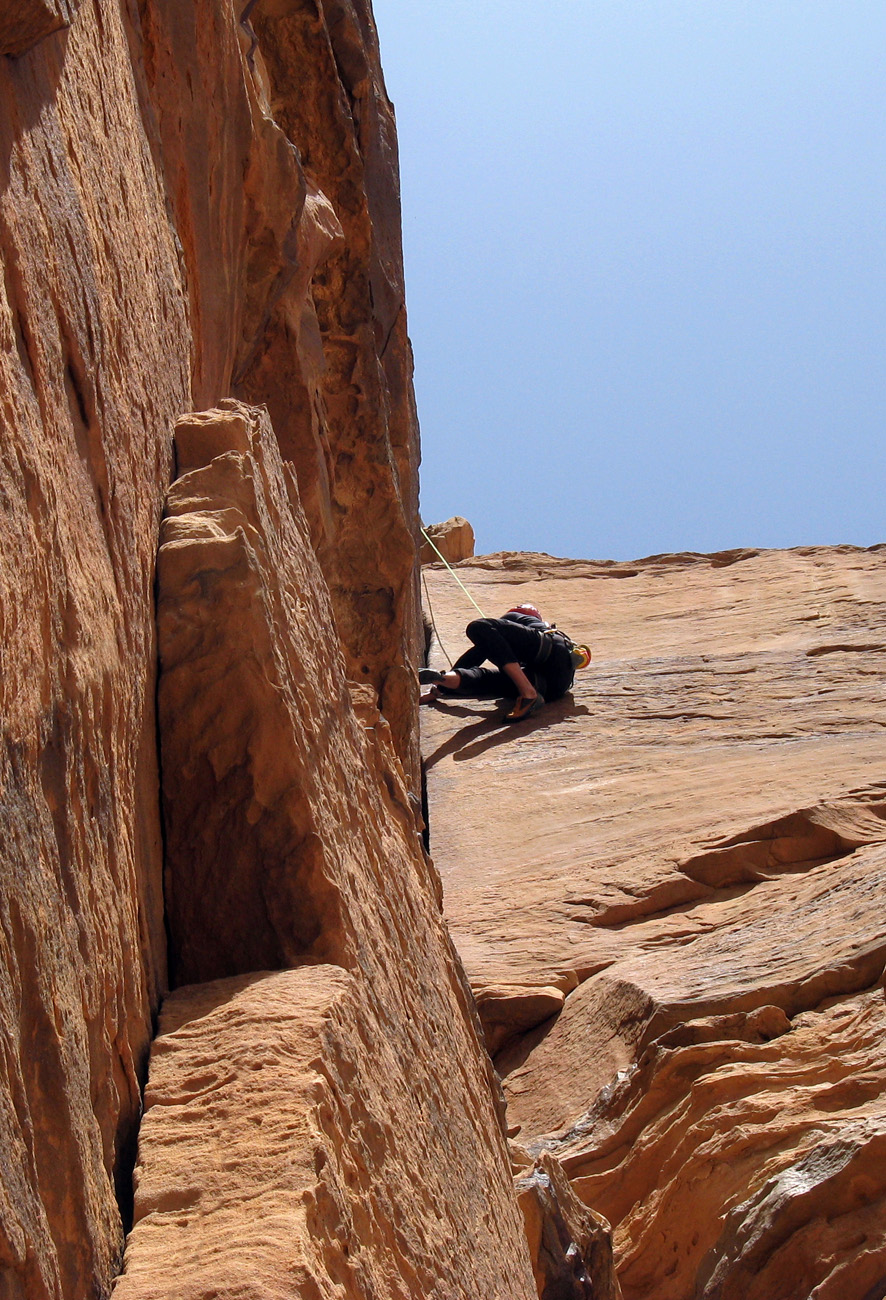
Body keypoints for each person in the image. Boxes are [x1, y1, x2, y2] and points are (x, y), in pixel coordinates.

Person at [420, 604, 591, 722]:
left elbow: (484, 644)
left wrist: (439, 692)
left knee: (478, 627)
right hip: (554, 687)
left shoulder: (519, 615)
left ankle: (527, 693)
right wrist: (440, 692)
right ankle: (443, 680)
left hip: (550, 651)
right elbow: (486, 648)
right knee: (487, 680)